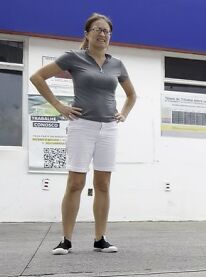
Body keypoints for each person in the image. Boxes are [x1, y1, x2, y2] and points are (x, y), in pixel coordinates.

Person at [30, 13, 136, 255]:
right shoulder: (74, 57)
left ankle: (100, 239)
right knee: (76, 183)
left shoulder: (116, 64)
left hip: (108, 128)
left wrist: (124, 114)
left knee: (103, 184)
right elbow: (37, 77)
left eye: (107, 31)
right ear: (87, 34)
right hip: (82, 126)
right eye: (98, 29)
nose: (102, 34)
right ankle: (65, 240)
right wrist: (59, 106)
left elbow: (131, 95)